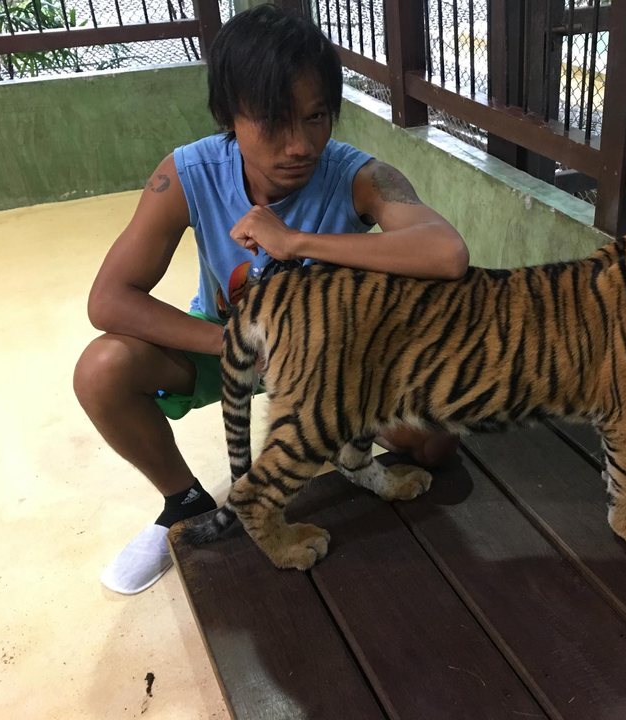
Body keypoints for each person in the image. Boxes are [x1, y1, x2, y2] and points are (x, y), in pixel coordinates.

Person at [73, 4, 469, 595]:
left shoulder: (357, 175)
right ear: (228, 115)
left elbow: (446, 253)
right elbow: (108, 300)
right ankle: (182, 502)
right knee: (101, 369)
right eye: (275, 121)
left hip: (330, 358)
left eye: (316, 117)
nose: (300, 144)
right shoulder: (186, 174)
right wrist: (235, 345)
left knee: (433, 445)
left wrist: (297, 240)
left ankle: (342, 449)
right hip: (227, 343)